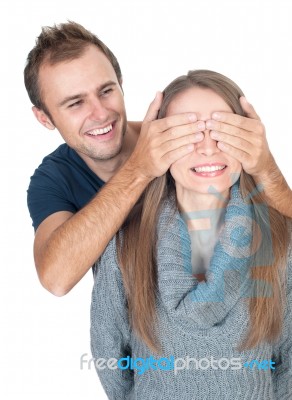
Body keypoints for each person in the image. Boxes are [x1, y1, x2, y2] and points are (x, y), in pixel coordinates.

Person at [24, 21, 292, 296]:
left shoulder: (188, 141)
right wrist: (139, 170)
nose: (100, 113)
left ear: (121, 85)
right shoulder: (53, 179)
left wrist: (266, 169)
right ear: (44, 118)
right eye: (75, 103)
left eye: (106, 91)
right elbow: (56, 279)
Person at [90, 70, 292, 399]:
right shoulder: (125, 244)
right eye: (187, 133)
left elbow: (288, 364)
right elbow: (109, 356)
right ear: (157, 145)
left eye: (223, 130)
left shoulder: (281, 239)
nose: (209, 148)